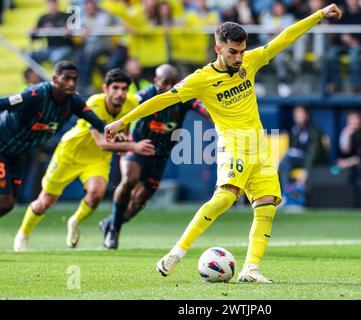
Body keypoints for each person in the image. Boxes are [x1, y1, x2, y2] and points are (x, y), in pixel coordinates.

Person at [105, 4, 343, 283]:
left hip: (260, 147)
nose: (240, 57)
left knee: (266, 206)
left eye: (242, 51)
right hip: (233, 146)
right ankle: (176, 253)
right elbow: (162, 99)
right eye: (233, 52)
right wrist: (122, 121)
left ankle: (251, 269)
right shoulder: (201, 79)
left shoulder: (250, 62)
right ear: (219, 49)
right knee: (225, 198)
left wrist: (318, 15)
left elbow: (285, 37)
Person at [13, 69, 155, 252]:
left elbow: (124, 128)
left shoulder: (132, 103)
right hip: (71, 154)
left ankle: (75, 221)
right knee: (46, 201)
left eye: (124, 89)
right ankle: (23, 234)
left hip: (97, 159)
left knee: (96, 195)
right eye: (116, 88)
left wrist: (125, 141)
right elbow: (102, 142)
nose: (120, 93)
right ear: (105, 88)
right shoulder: (94, 103)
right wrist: (133, 147)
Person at [100, 64, 212, 249]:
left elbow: (204, 109)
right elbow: (123, 108)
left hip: (161, 154)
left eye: (172, 83)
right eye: (164, 83)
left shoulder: (183, 96)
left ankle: (111, 222)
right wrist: (121, 131)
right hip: (138, 146)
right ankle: (114, 232)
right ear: (155, 81)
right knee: (129, 179)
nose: (168, 88)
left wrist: (217, 121)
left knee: (139, 201)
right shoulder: (145, 94)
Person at [0, 61, 105, 218]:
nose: (71, 84)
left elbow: (98, 123)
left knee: (8, 204)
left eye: (74, 79)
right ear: (54, 79)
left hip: (18, 153)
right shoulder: (36, 94)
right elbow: (4, 103)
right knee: (4, 199)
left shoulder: (73, 102)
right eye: (66, 78)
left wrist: (119, 135)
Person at [278, 105, 329, 195]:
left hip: (315, 161)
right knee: (284, 163)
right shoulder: (294, 129)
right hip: (299, 159)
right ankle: (288, 193)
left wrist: (306, 170)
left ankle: (286, 194)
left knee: (286, 160)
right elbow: (293, 148)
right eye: (296, 114)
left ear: (307, 115)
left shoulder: (314, 130)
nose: (298, 116)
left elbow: (313, 153)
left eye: (301, 113)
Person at [30, 0, 74, 65]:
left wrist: (68, 32)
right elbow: (34, 38)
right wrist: (34, 31)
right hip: (50, 47)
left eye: (54, 4)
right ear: (47, 5)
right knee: (31, 55)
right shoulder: (43, 18)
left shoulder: (66, 16)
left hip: (65, 46)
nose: (53, 6)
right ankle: (39, 74)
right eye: (50, 4)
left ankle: (55, 75)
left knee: (56, 57)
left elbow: (75, 35)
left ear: (58, 4)